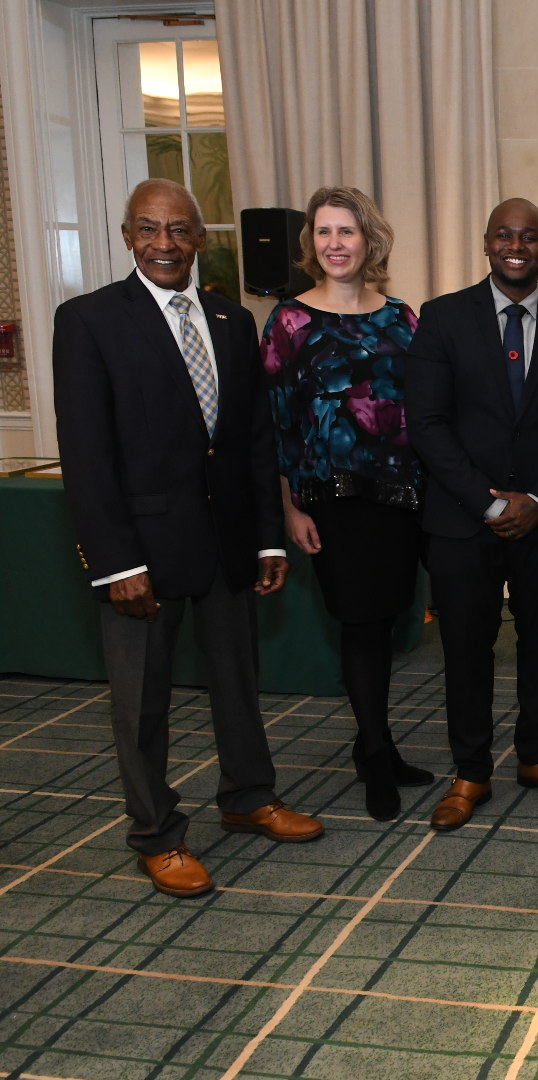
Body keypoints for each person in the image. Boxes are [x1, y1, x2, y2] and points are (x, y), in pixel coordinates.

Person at [53, 178, 324, 898]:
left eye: (179, 230)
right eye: (148, 229)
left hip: (227, 541)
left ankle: (247, 798)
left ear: (200, 239)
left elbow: (252, 439)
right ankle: (156, 834)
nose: (164, 244)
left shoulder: (234, 321)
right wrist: (115, 564)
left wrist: (269, 540)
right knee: (140, 702)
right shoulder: (88, 321)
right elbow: (86, 454)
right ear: (126, 236)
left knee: (239, 682)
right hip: (140, 550)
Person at [406, 199, 538, 831]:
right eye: (504, 235)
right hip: (462, 521)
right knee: (466, 647)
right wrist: (490, 502)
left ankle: (537, 756)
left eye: (529, 237)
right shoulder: (441, 320)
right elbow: (428, 424)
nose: (515, 245)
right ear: (487, 244)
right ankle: (470, 771)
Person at [261, 186, 433, 822]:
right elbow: (275, 424)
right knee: (358, 624)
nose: (336, 244)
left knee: (387, 622)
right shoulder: (288, 321)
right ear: (311, 243)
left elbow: (426, 410)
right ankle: (378, 755)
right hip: (330, 501)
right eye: (324, 232)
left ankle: (373, 741)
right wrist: (288, 507)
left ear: (370, 242)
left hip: (400, 498)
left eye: (348, 232)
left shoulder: (403, 318)